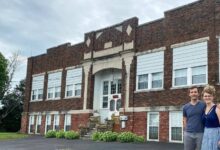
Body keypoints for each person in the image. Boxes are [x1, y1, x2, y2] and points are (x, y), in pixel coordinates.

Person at [183, 86, 205, 150]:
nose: (193, 93)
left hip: (201, 133)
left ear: (198, 93)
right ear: (189, 94)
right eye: (192, 92)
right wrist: (185, 129)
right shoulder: (185, 107)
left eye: (195, 92)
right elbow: (184, 118)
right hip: (188, 133)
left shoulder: (203, 104)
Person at [201, 85, 220, 150]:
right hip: (206, 134)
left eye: (209, 96)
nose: (207, 97)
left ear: (213, 97)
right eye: (205, 96)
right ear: (203, 97)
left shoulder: (217, 108)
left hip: (215, 135)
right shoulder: (204, 108)